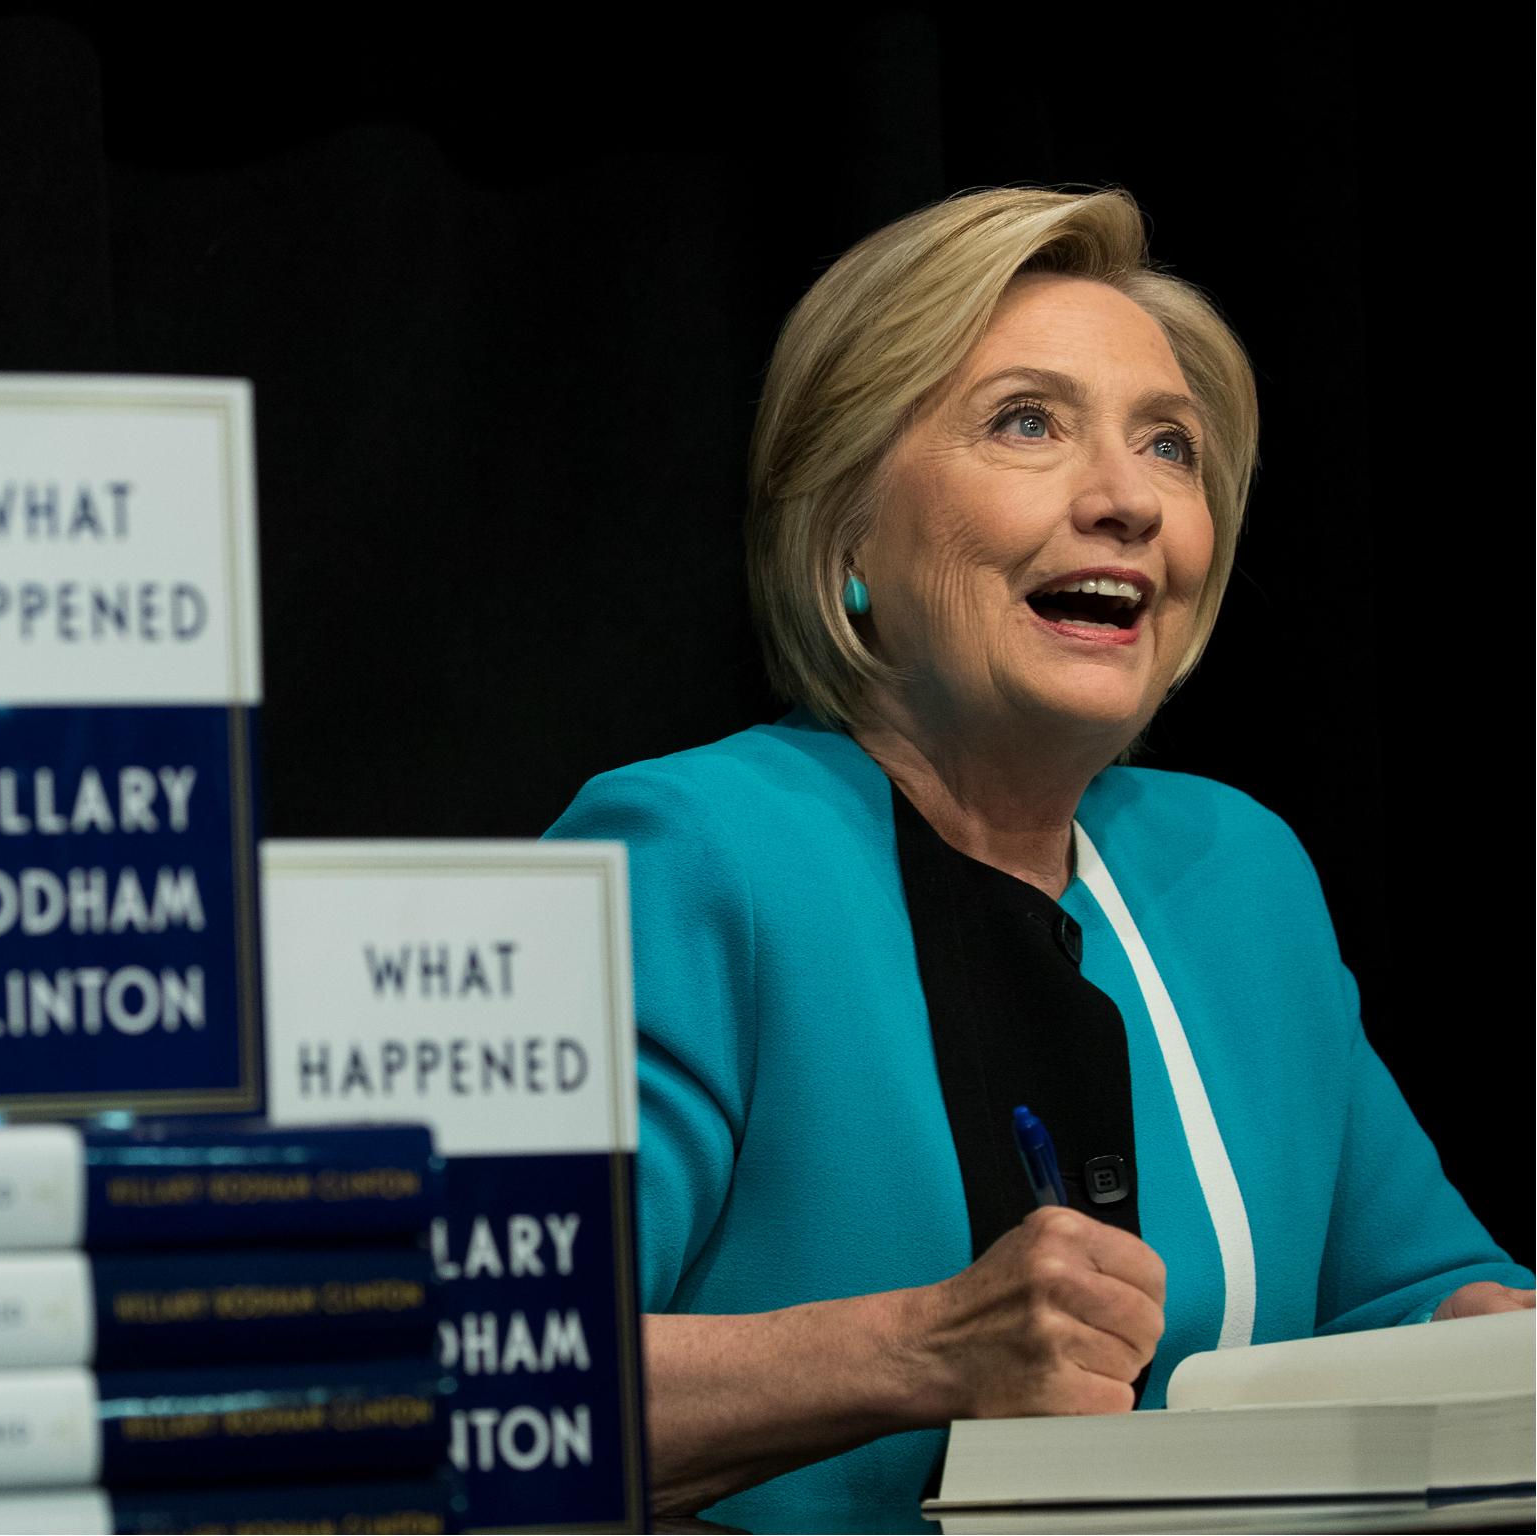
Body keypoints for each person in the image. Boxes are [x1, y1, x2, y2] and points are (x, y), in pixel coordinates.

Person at [541, 186, 1534, 1532]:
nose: (1127, 501)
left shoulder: (1236, 873)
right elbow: (451, 1384)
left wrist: (1493, 1339)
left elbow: (1411, 1291)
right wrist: (923, 1352)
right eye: (1027, 422)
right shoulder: (691, 860)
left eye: (1170, 447)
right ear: (846, 538)